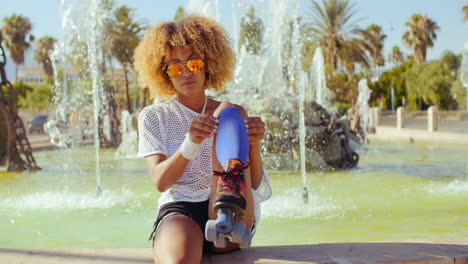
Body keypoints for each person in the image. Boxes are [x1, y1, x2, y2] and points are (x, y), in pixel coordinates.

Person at [134, 14, 272, 264]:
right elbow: (160, 181)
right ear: (165, 74)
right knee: (179, 260)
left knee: (231, 113)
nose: (186, 72)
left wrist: (254, 145)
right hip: (180, 209)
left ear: (208, 65)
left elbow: (255, 183)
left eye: (194, 63)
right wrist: (191, 142)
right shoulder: (154, 116)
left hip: (232, 205)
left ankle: (227, 203)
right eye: (175, 67)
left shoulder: (230, 114)